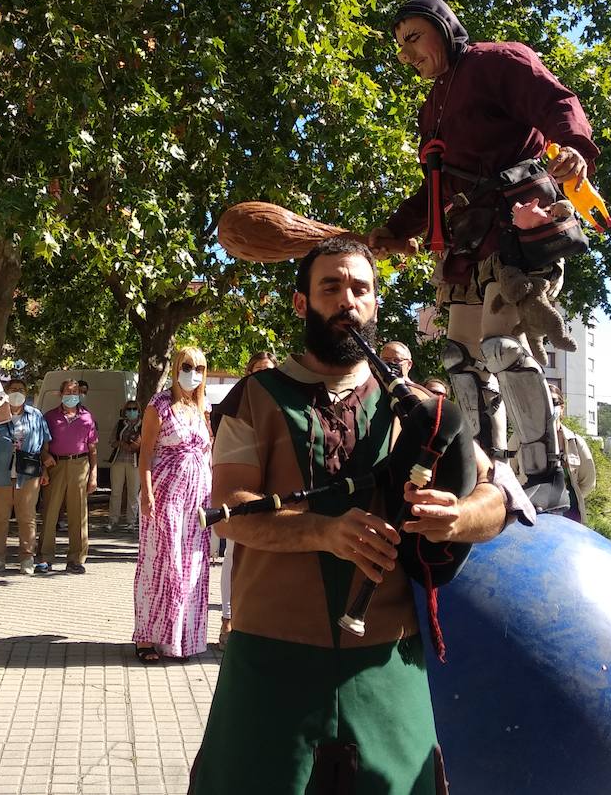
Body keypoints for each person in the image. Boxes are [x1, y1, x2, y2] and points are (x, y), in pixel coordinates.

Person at [190, 237, 533, 794]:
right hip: (271, 662)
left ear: (375, 303)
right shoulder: (254, 397)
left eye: (360, 288)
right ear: (301, 303)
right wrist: (324, 532)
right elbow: (229, 511)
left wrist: (457, 517)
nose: (347, 300)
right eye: (330, 287)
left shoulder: (420, 407)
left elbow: (504, 498)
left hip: (387, 664)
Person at [368, 0, 600, 515]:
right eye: (400, 47)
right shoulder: (431, 107)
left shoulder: (498, 60)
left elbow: (557, 101)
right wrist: (394, 229)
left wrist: (574, 148)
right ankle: (488, 470)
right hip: (467, 242)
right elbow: (438, 187)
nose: (407, 54)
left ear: (445, 28)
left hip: (518, 226)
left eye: (413, 38)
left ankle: (545, 473)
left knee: (501, 344)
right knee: (459, 356)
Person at [133, 347, 213, 663]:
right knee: (161, 565)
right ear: (177, 367)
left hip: (197, 501)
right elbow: (145, 453)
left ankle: (178, 639)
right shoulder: (160, 405)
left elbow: (208, 451)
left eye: (199, 368)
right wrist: (147, 493)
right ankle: (146, 637)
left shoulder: (201, 407)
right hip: (166, 495)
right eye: (187, 366)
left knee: (191, 568)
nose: (193, 373)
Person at [216, 351, 278, 650]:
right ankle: (228, 620)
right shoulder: (236, 404)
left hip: (276, 493)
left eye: (269, 370)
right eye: (257, 371)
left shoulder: (283, 403)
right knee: (233, 556)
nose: (263, 376)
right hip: (242, 491)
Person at [0, 377, 50, 576]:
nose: (17, 392)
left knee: (27, 517)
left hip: (28, 475)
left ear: (26, 393)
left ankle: (27, 557)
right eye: (13, 389)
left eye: (21, 389)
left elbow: (44, 445)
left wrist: (45, 469)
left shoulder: (36, 415)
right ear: (6, 393)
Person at [36, 379, 97, 574]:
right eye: (68, 391)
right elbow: (42, 446)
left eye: (75, 391)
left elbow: (93, 449)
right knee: (50, 512)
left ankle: (76, 559)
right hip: (56, 465)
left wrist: (93, 474)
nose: (72, 395)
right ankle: (45, 557)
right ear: (60, 394)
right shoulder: (49, 417)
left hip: (80, 465)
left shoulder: (87, 417)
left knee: (78, 513)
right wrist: (44, 465)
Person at [548, 384, 595, 524]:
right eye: (544, 401)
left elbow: (588, 482)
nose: (549, 406)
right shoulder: (520, 440)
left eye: (553, 402)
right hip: (532, 515)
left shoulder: (576, 441)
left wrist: (569, 498)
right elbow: (511, 471)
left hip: (568, 518)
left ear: (562, 407)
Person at [108, 400, 142, 532]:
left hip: (135, 463)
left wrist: (135, 445)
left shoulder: (143, 425)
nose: (131, 411)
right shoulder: (120, 424)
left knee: (133, 493)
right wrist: (122, 443)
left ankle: (131, 522)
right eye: (129, 409)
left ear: (138, 411)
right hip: (118, 461)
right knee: (116, 492)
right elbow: (112, 441)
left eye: (134, 409)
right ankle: (113, 520)